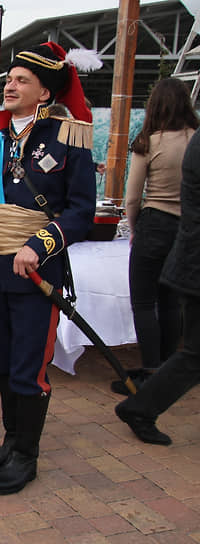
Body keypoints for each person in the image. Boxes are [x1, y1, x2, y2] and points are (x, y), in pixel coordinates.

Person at [0, 42, 98, 494]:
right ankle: (12, 439)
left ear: (44, 93)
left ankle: (27, 454)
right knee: (3, 361)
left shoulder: (69, 136)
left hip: (37, 270)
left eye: (22, 80)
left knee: (30, 365)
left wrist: (39, 244)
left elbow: (81, 211)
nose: (10, 85)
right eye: (9, 79)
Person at [113, 78, 199, 395]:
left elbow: (132, 197)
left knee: (144, 302)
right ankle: (167, 369)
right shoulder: (196, 140)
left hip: (154, 224)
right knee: (171, 301)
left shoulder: (150, 141)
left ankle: (149, 372)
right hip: (188, 227)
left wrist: (133, 228)